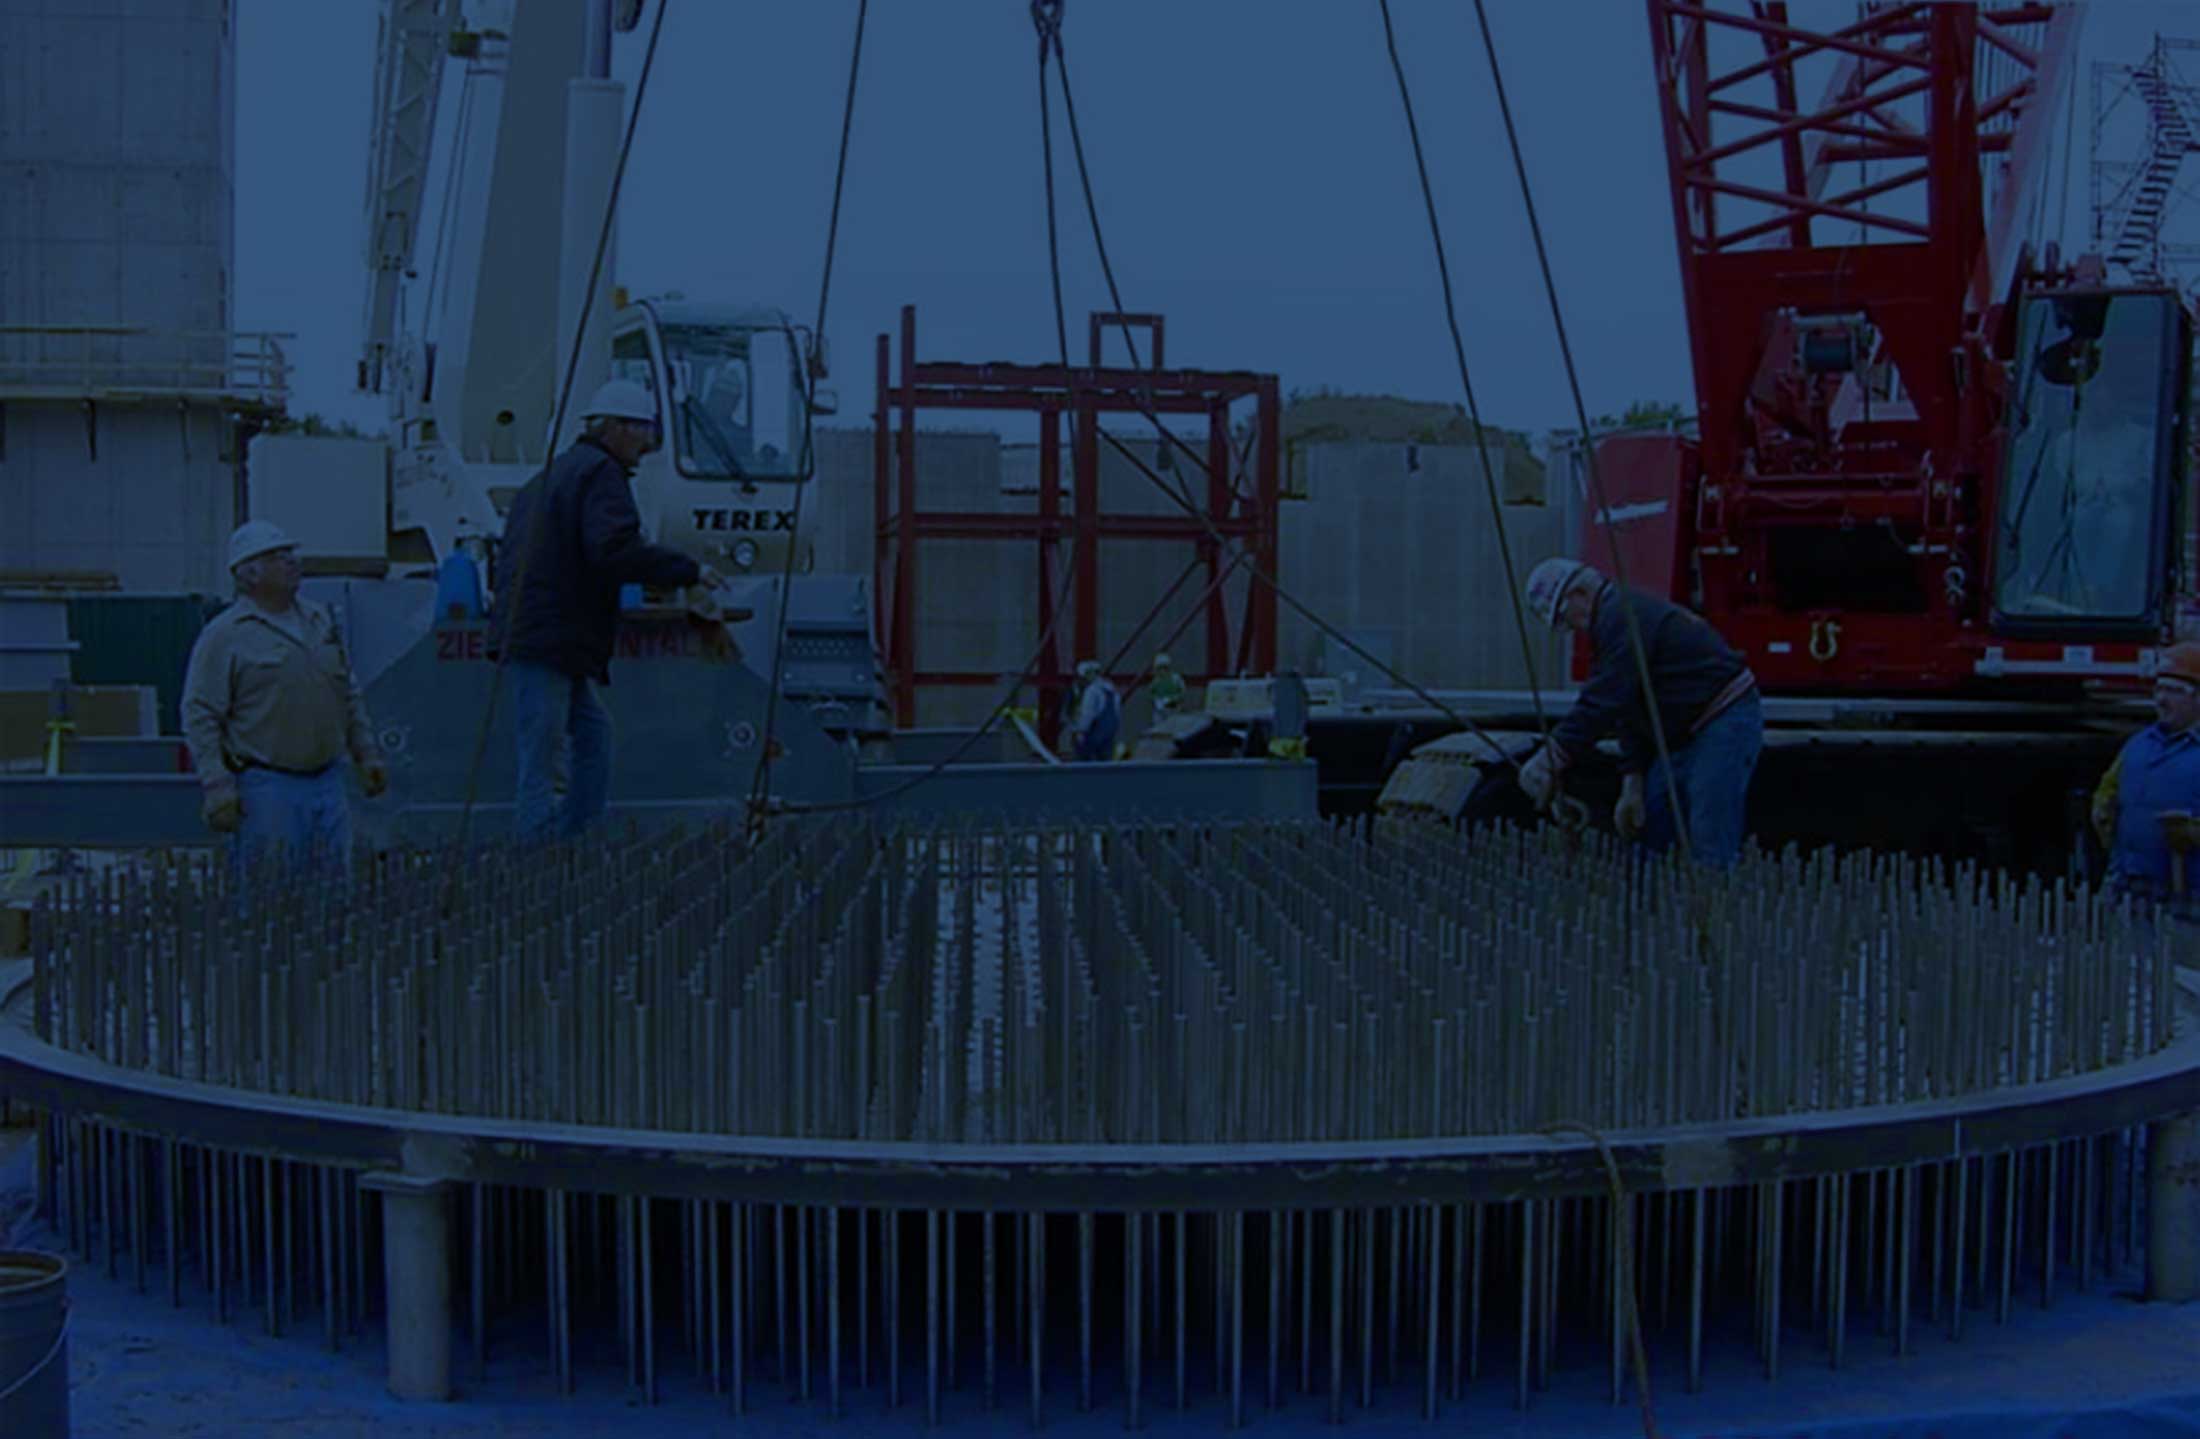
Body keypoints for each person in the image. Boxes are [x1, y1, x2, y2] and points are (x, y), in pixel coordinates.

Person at [493, 378, 720, 843]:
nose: (649, 444)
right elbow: (614, 549)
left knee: (592, 738)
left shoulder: (552, 474)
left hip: (550, 637)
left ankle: (575, 841)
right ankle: (541, 861)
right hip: (551, 640)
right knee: (545, 763)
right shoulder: (601, 474)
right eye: (644, 431)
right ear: (616, 428)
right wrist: (687, 571)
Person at [1516, 557, 1762, 865]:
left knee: (1707, 828)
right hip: (1685, 730)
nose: (1573, 628)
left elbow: (1606, 697)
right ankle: (1664, 903)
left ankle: (1711, 902)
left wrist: (1552, 755)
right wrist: (1633, 782)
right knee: (1654, 819)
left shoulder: (1622, 614)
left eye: (1567, 619)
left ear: (1578, 593)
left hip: (1722, 718)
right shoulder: (1611, 623)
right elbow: (1629, 706)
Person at [181, 521, 388, 876]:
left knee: (334, 895)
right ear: (250, 574)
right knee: (274, 897)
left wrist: (366, 753)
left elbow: (346, 692)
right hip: (267, 788)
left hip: (328, 781)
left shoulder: (320, 620)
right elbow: (200, 713)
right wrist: (217, 785)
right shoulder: (226, 635)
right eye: (277, 558)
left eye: (291, 554)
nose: (292, 562)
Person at [2090, 641, 2200, 919]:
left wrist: (2194, 833)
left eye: (2174, 691)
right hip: (2129, 887)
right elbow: (2108, 794)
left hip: (2188, 895)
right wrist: (2103, 811)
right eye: (2159, 689)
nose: (2161, 699)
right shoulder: (2137, 745)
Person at [1068, 659, 1121, 762]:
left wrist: (1080, 731)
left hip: (1094, 733)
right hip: (1109, 733)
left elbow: (1088, 714)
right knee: (1106, 763)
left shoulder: (1091, 691)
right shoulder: (1111, 689)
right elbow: (1117, 713)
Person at [1148, 652, 1187, 721]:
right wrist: (1157, 701)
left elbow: (1183, 692)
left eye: (1164, 668)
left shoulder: (1176, 679)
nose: (1162, 671)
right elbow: (1151, 694)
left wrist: (1174, 699)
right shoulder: (1156, 681)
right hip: (1160, 712)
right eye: (1159, 668)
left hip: (1173, 710)